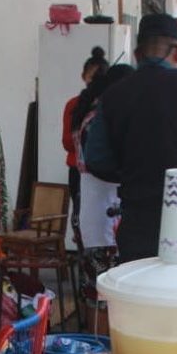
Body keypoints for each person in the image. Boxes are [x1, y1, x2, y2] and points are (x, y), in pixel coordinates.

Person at [84, 13, 177, 263]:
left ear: (137, 54)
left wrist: (133, 172)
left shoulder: (113, 95)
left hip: (137, 215)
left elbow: (97, 159)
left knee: (139, 284)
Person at [71, 63, 133, 332]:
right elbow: (100, 165)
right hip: (102, 211)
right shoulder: (99, 119)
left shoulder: (91, 114)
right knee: (103, 290)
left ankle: (98, 344)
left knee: (96, 288)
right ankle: (102, 346)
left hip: (93, 207)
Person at [62, 47, 108, 224]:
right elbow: (67, 142)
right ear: (83, 76)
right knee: (83, 217)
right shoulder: (74, 104)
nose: (94, 81)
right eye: (91, 77)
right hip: (80, 169)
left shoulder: (109, 102)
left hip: (103, 172)